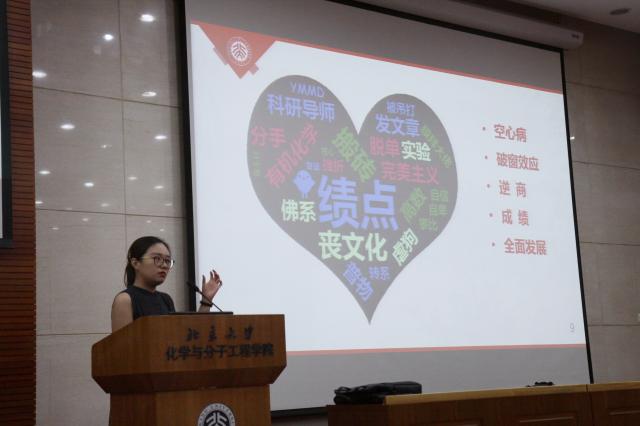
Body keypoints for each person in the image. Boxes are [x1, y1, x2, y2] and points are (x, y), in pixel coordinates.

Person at [111, 236, 222, 332]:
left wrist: (206, 301)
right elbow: (121, 346)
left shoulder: (165, 299)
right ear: (136, 263)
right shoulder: (125, 300)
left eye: (167, 261)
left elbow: (188, 336)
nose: (164, 265)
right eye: (157, 259)